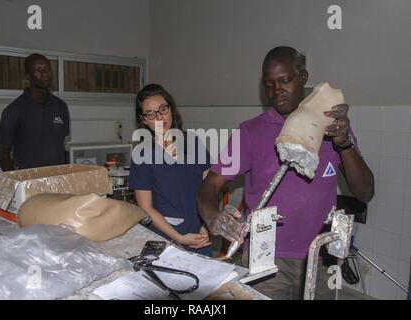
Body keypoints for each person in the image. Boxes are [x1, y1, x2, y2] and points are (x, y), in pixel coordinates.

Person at [199, 46, 375, 299]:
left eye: (284, 80)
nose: (276, 90)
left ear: (303, 77)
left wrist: (344, 143)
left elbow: (365, 192)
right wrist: (211, 215)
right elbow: (211, 184)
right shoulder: (250, 132)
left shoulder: (331, 127)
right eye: (269, 85)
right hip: (265, 258)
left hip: (320, 257)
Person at [129, 83, 212, 256]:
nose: (159, 117)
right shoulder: (142, 154)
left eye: (162, 109)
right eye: (150, 113)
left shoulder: (193, 143)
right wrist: (178, 238)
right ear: (143, 120)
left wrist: (207, 224)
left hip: (200, 233)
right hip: (165, 237)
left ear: (171, 110)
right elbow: (146, 208)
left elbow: (210, 188)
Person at [0, 53, 70, 171]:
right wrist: (16, 181)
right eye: (38, 69)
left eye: (47, 69)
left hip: (57, 179)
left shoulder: (61, 107)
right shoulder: (14, 110)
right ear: (28, 75)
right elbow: (2, 154)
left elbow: (63, 146)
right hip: (28, 182)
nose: (45, 73)